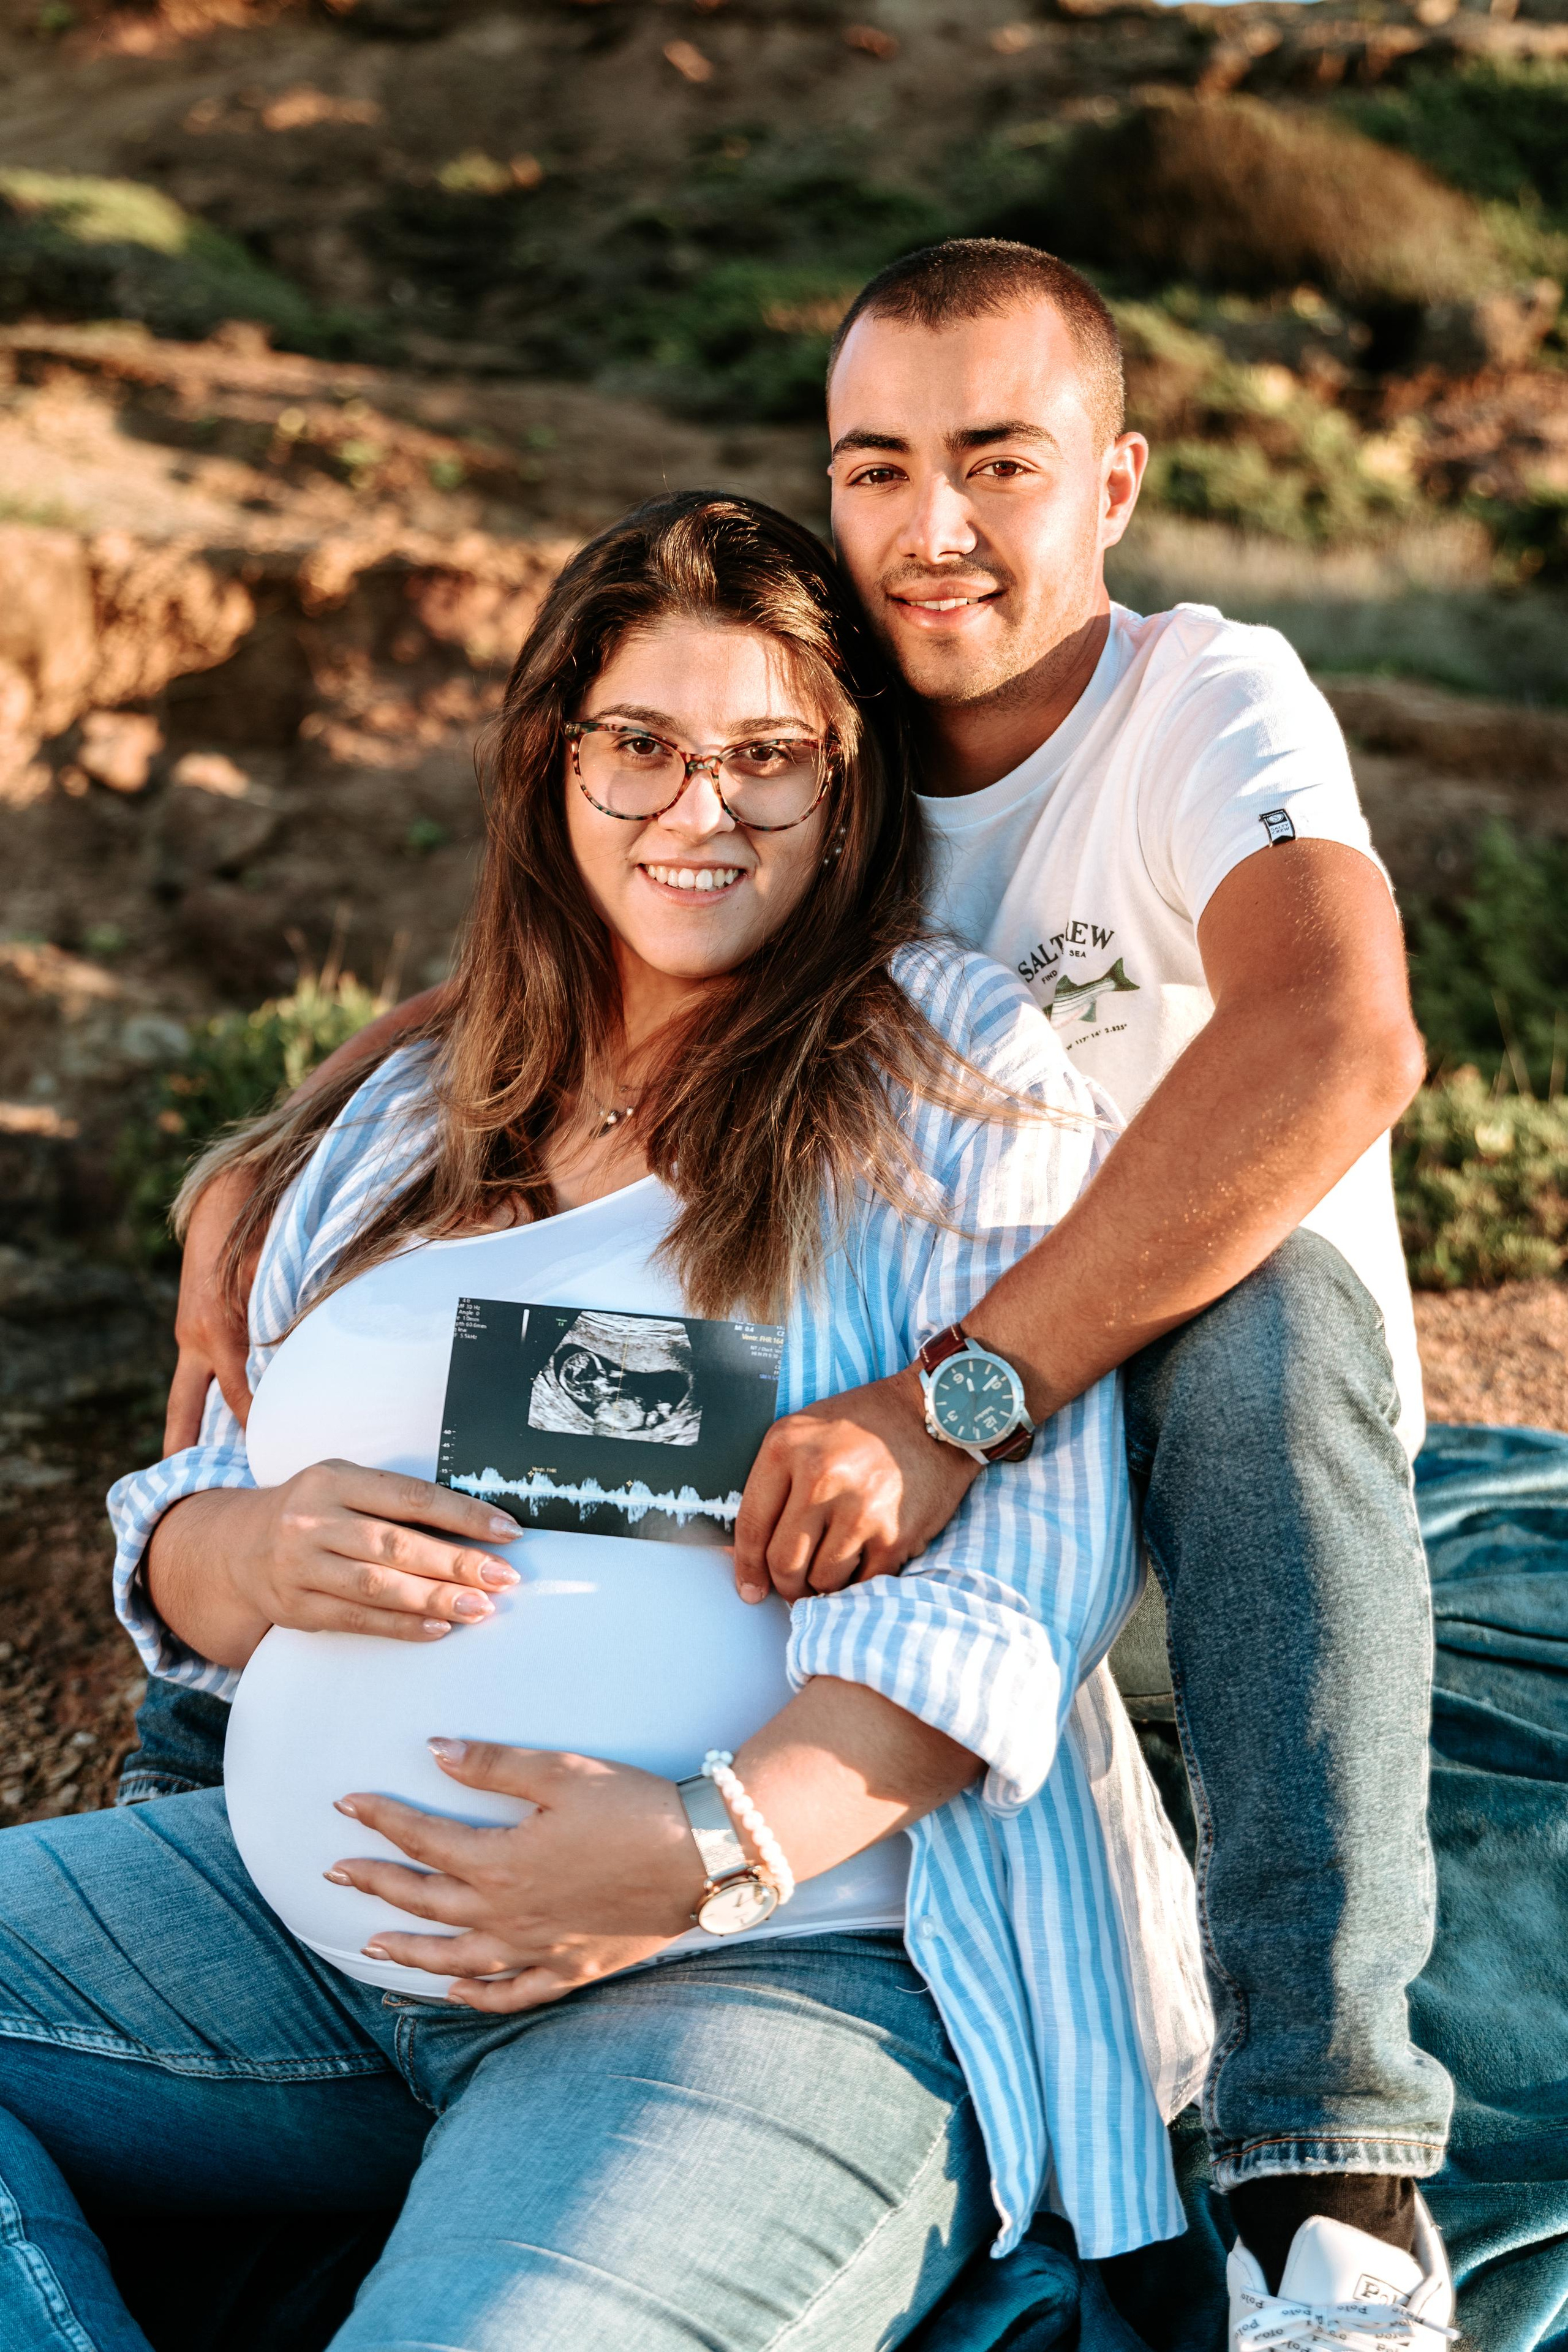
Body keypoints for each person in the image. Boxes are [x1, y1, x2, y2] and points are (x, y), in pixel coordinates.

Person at [162, 241, 1458, 2339]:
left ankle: (1330, 2165)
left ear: (1113, 486)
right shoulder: (816, 735)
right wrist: (277, 1155)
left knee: (1269, 1305)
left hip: (1151, 1478)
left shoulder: (1197, 701)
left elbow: (1343, 1045)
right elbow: (577, 921)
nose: (930, 531)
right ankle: (230, 1777)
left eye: (997, 466)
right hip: (864, 1396)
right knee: (496, 1361)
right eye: (878, 468)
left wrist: (949, 1405)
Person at [0, 493, 1209, 2352]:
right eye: (638, 746)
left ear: (848, 788)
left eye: (765, 760)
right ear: (555, 760)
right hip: (293, 1946)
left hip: (769, 1976)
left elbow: (1021, 1587)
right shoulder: (422, 1101)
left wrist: (705, 1845)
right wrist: (242, 1549)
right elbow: (195, 1501)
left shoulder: (950, 1077)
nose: (693, 810)